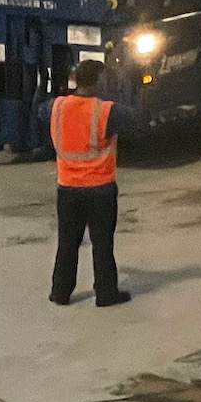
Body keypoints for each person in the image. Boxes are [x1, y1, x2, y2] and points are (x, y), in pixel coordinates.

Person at [47, 57, 136, 307]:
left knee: (67, 242)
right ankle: (106, 293)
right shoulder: (106, 111)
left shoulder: (57, 106)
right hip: (100, 189)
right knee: (102, 244)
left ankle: (61, 292)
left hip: (68, 188)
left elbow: (39, 110)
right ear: (101, 82)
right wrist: (125, 87)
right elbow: (136, 118)